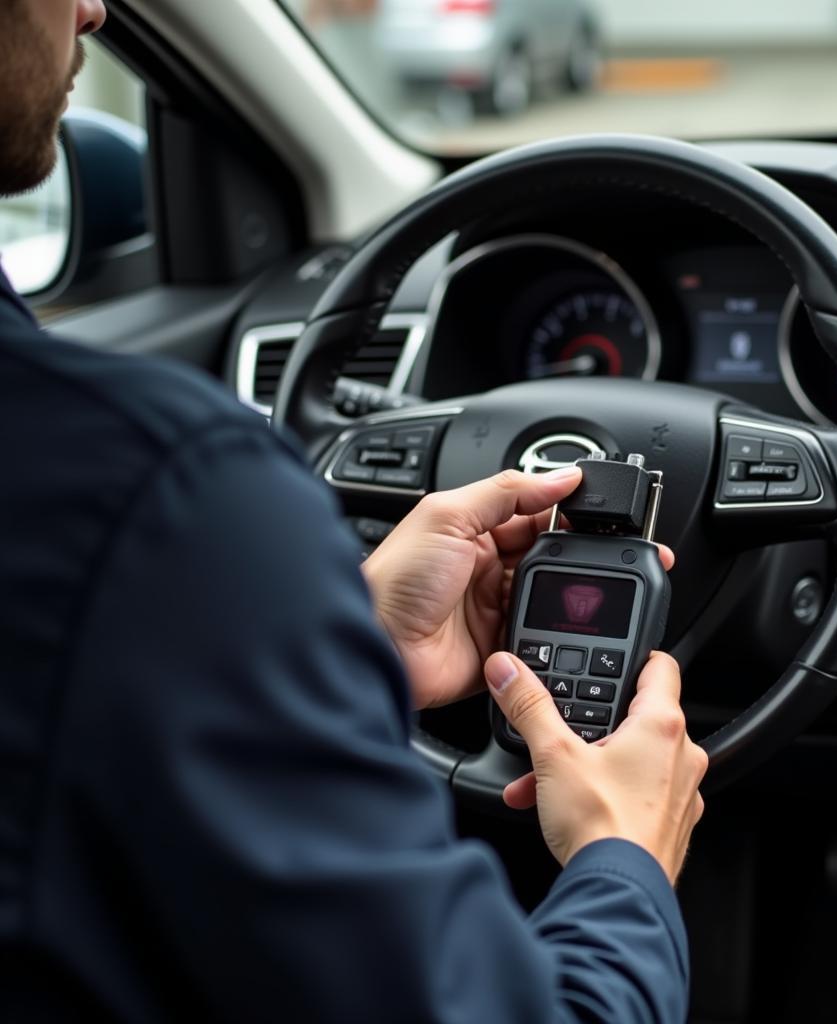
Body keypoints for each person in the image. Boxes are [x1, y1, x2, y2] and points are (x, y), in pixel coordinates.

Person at [0, 2, 708, 1021]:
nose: (93, 8)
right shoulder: (159, 495)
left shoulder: (130, 512)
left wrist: (336, 645)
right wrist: (627, 854)